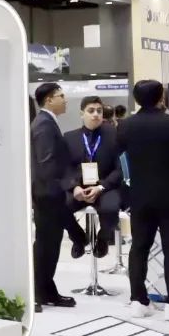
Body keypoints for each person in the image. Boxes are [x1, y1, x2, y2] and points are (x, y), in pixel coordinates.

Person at [118, 80, 169, 321]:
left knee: (139, 248)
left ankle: (138, 300)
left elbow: (119, 159)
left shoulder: (126, 125)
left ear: (136, 99)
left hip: (140, 196)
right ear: (161, 96)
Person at [31, 82, 76, 310]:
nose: (65, 100)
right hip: (47, 194)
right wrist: (60, 188)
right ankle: (37, 293)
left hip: (49, 193)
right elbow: (46, 163)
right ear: (49, 100)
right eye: (61, 96)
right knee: (45, 246)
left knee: (51, 246)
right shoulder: (44, 125)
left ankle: (47, 291)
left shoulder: (48, 122)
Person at [63, 97, 122, 260]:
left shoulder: (115, 135)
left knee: (111, 209)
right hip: (79, 188)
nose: (96, 114)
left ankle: (103, 238)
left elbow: (121, 168)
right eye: (91, 111)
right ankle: (78, 238)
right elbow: (64, 167)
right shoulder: (69, 137)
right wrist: (74, 187)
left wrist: (101, 187)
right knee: (57, 206)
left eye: (99, 111)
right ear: (82, 114)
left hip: (106, 187)